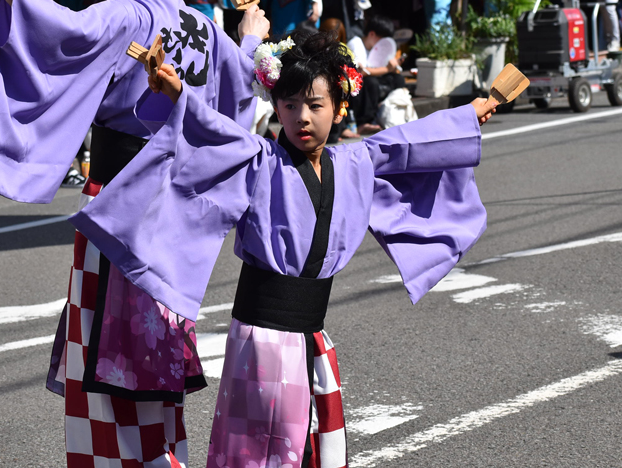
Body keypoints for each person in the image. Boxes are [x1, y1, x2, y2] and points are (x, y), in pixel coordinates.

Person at [70, 31, 495, 467]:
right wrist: (177, 91)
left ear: (339, 108)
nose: (302, 117)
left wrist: (471, 115)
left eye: (315, 105)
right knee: (258, 452)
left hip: (312, 335)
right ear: (276, 108)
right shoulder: (258, 158)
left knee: (312, 446)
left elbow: (408, 144)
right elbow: (207, 130)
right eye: (290, 105)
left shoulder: (354, 162)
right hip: (261, 341)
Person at [0, 0, 269, 466]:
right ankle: (162, 454)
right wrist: (250, 40)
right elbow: (237, 99)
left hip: (115, 199)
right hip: (170, 205)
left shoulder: (127, 15)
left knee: (103, 346)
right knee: (151, 346)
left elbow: (52, 35)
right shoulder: (205, 29)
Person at [346, 15, 405, 134]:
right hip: (359, 84)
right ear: (372, 34)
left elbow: (382, 68)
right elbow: (362, 72)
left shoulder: (379, 50)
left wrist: (393, 67)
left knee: (398, 79)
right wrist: (387, 69)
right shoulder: (356, 44)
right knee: (370, 82)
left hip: (377, 78)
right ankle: (365, 122)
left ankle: (396, 114)